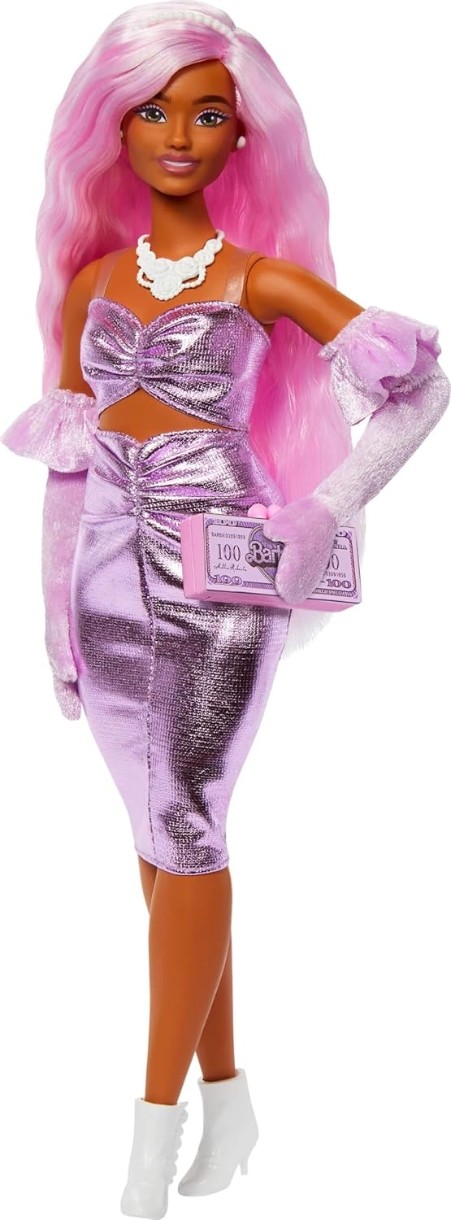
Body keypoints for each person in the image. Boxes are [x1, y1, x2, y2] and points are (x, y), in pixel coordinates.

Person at [1, 4, 448, 1218]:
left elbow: (419, 389)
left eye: (207, 114)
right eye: (153, 110)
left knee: (189, 825)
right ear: (115, 129)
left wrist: (325, 508)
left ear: (243, 137)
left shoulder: (260, 278)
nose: (178, 134)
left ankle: (148, 1142)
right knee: (155, 843)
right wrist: (53, 618)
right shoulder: (92, 282)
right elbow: (70, 463)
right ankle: (231, 1094)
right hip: (104, 586)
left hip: (218, 583)